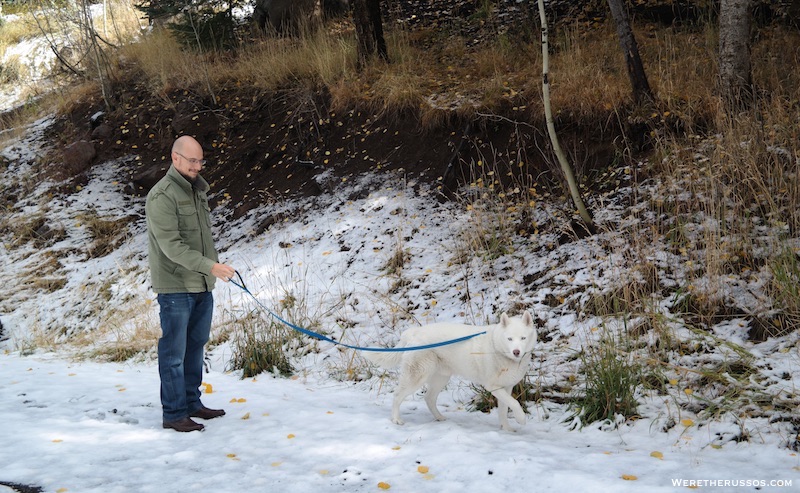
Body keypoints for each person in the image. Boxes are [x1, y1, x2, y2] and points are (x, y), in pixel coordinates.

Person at [145, 135, 236, 432]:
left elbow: (202, 239)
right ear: (175, 159)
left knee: (195, 347)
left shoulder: (197, 191)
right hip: (175, 288)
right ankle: (173, 414)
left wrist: (209, 272)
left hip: (201, 286)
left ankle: (191, 402)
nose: (198, 166)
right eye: (192, 160)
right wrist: (211, 266)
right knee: (173, 353)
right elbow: (172, 246)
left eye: (200, 160)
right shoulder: (162, 197)